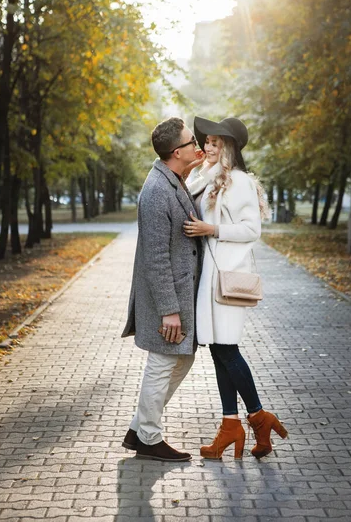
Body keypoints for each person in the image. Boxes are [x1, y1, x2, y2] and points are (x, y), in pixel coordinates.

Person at [183, 115, 288, 459]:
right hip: (210, 278)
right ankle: (231, 425)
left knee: (227, 349)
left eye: (215, 142)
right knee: (218, 350)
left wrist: (212, 230)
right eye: (206, 142)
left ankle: (258, 417)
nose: (207, 147)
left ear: (228, 146)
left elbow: (251, 230)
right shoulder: (206, 180)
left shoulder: (239, 181)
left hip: (227, 278)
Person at [121, 117, 204, 462]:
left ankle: (139, 428)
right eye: (191, 143)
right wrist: (169, 310)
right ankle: (149, 438)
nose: (197, 146)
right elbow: (155, 257)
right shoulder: (156, 191)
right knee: (162, 362)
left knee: (182, 358)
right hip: (167, 299)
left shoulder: (175, 180)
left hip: (180, 293)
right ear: (176, 152)